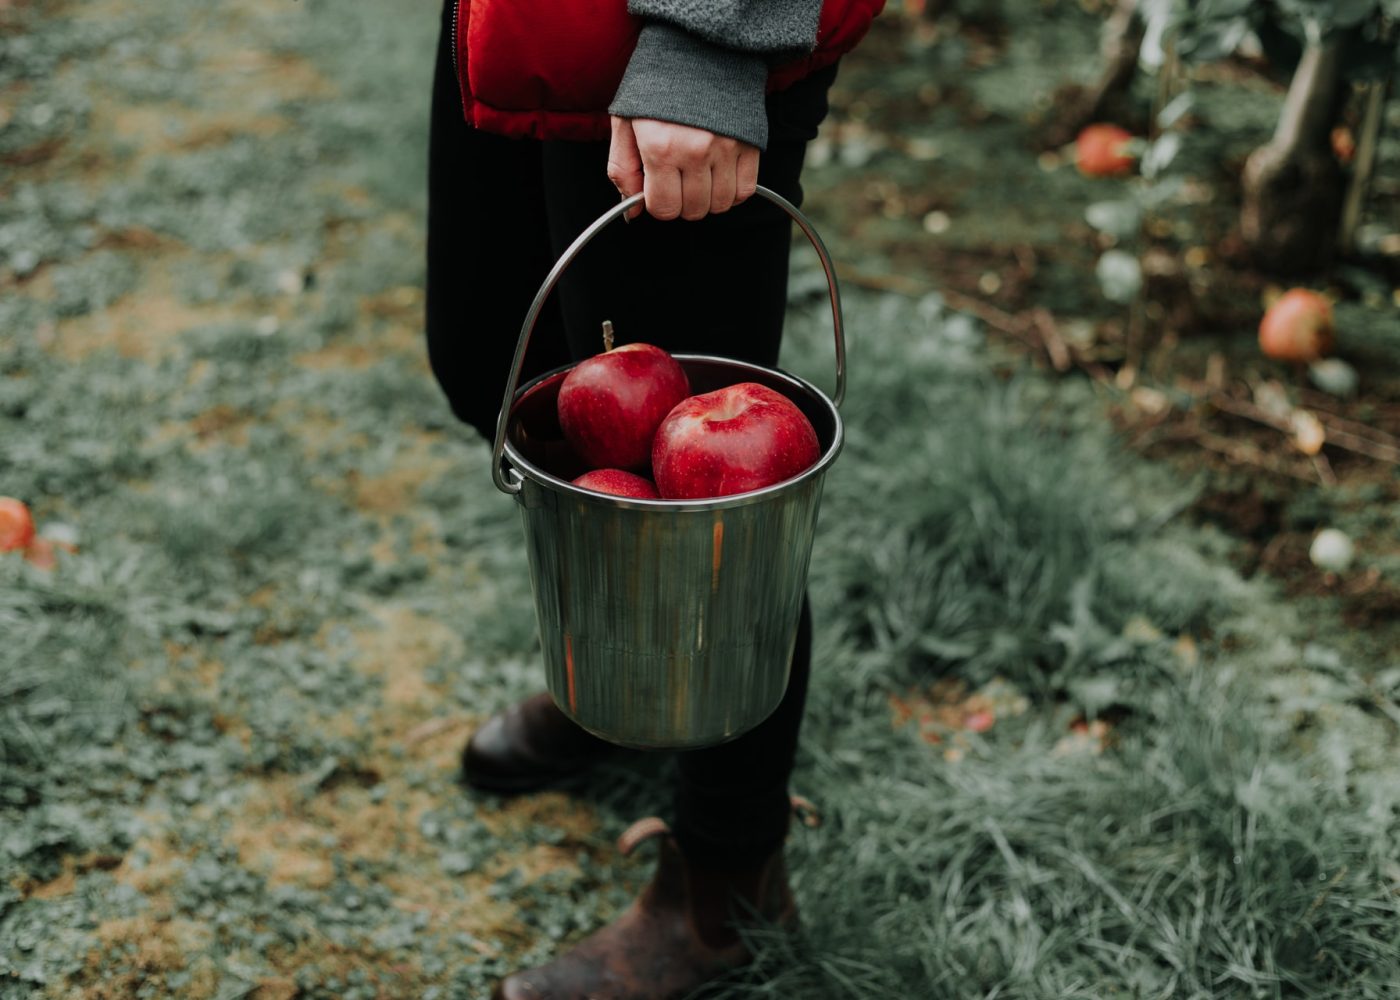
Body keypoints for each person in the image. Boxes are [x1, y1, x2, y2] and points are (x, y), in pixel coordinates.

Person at [424, 1, 883, 996]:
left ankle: (727, 882)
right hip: (525, 30)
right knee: (491, 358)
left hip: (670, 41)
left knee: (710, 518)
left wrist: (710, 40)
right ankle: (625, 677)